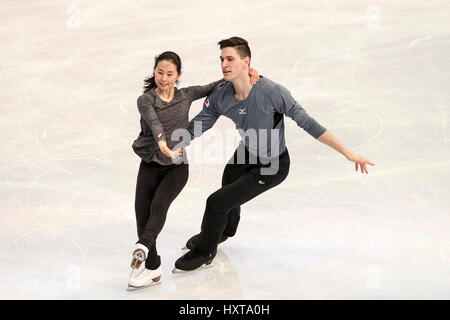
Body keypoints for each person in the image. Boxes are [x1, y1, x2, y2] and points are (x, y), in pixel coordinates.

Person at [173, 37, 375, 272]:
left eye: (230, 59)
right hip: (246, 152)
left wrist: (347, 153)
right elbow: (200, 124)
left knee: (216, 203)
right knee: (228, 181)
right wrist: (174, 143)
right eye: (221, 59)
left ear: (246, 62)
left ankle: (205, 252)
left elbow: (308, 123)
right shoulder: (221, 94)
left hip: (272, 165)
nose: (224, 64)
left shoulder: (272, 92)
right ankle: (222, 232)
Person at [128, 51, 259, 289]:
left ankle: (144, 246)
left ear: (178, 75)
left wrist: (246, 72)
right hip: (150, 164)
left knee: (158, 206)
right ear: (154, 72)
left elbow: (215, 85)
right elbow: (154, 122)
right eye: (159, 72)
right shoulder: (145, 100)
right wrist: (161, 143)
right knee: (141, 217)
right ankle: (152, 267)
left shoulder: (186, 95)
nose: (163, 78)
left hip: (177, 167)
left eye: (169, 74)